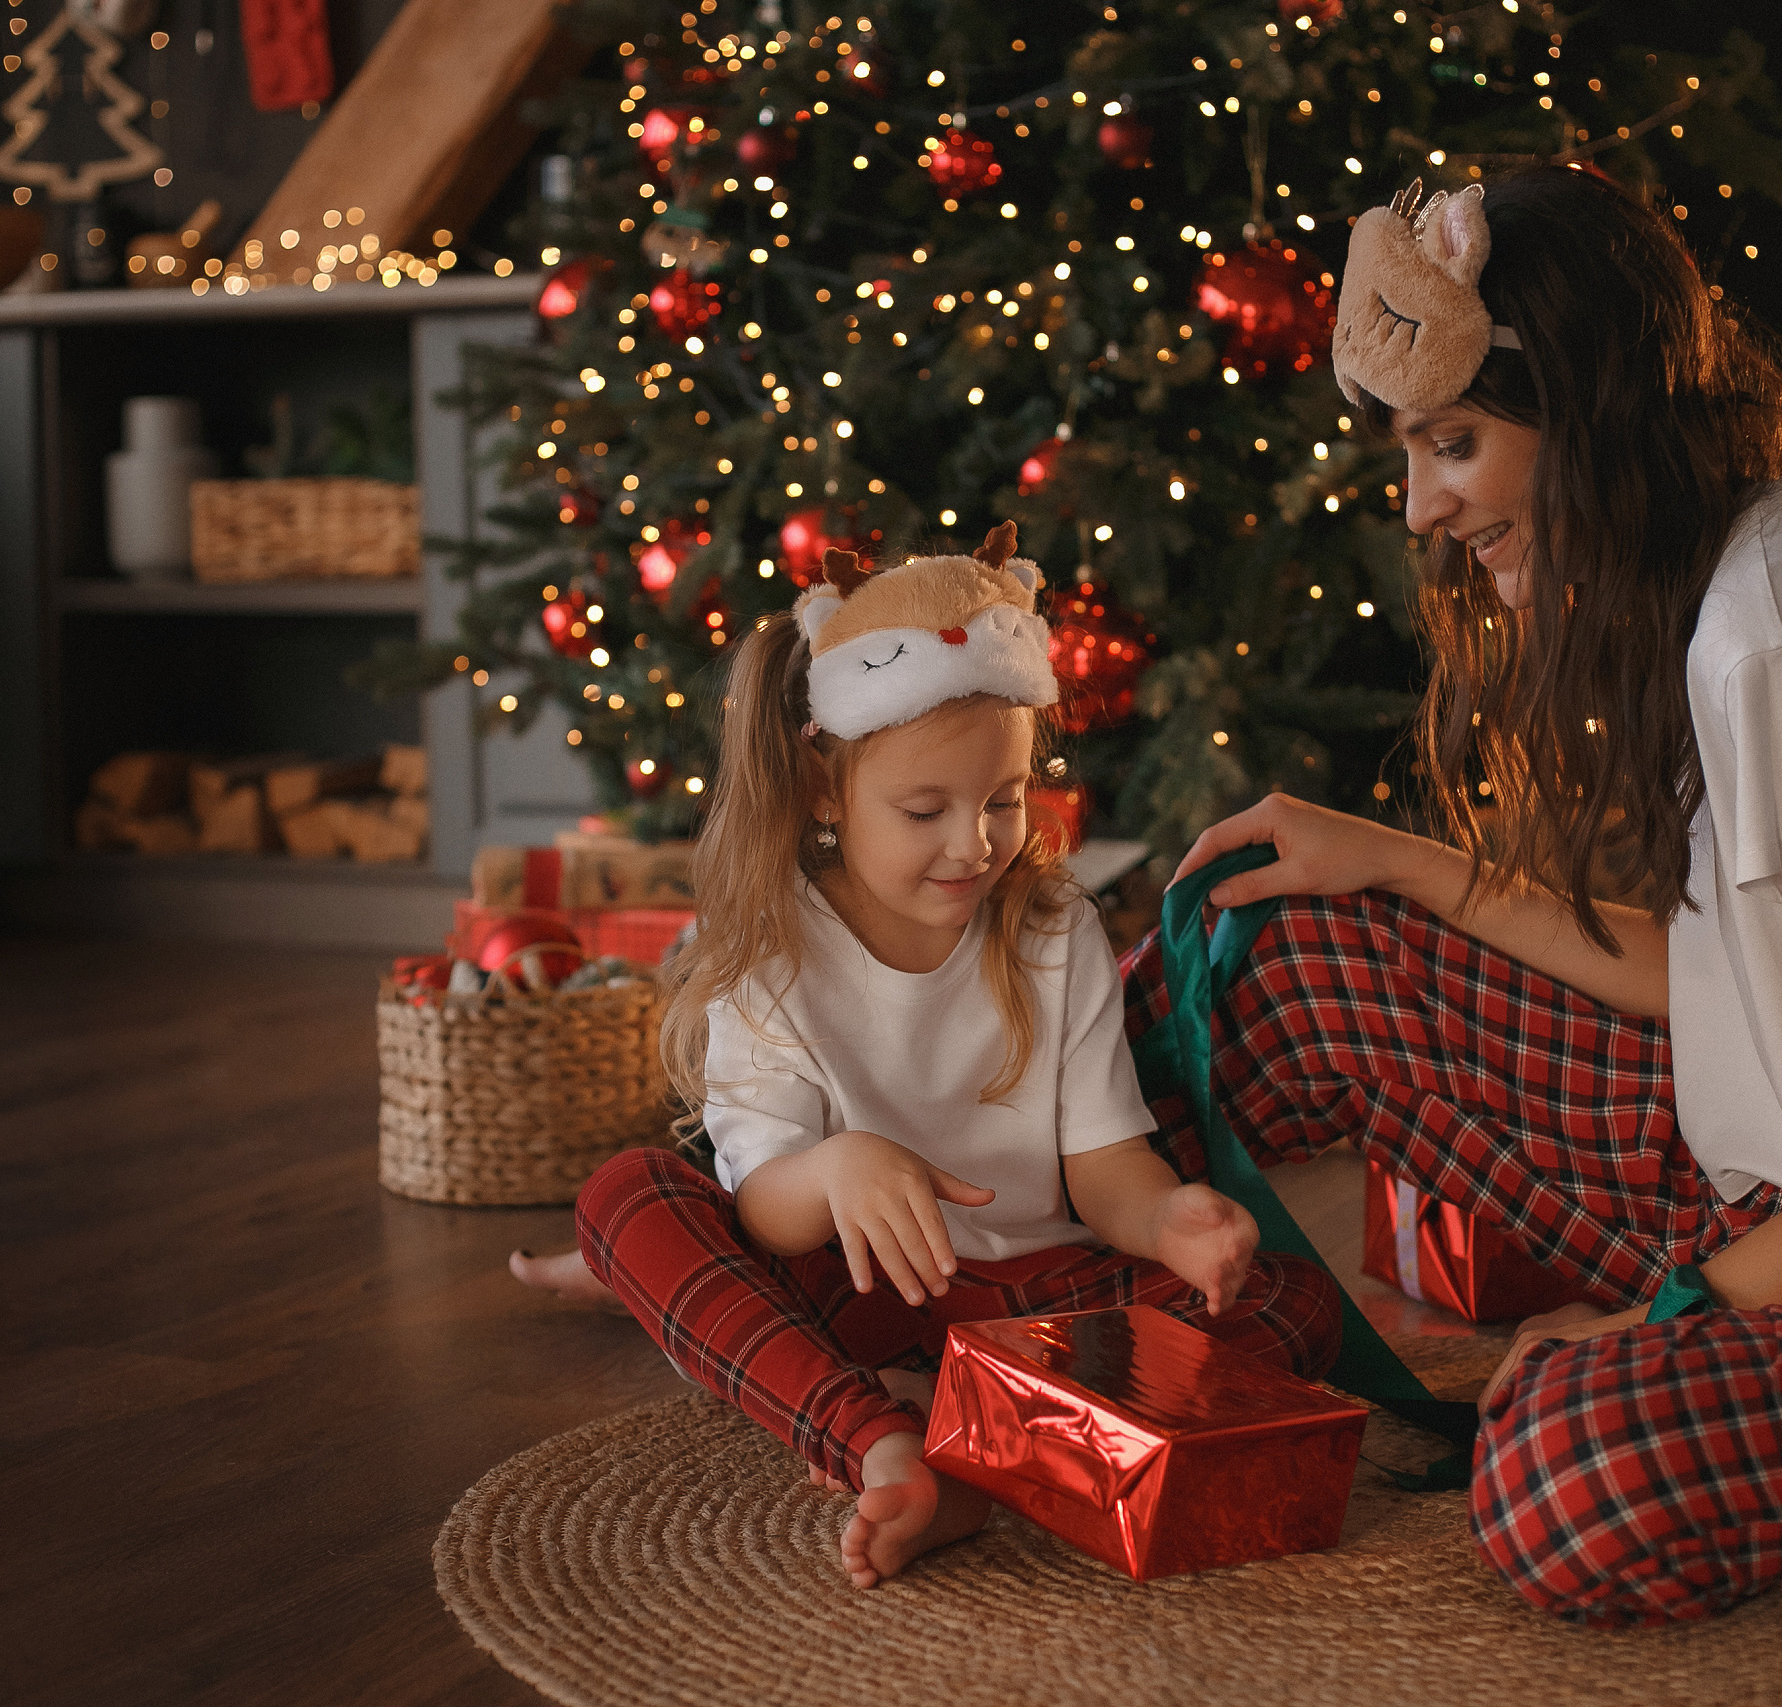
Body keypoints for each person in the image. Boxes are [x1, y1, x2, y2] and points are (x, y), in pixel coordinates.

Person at [1128, 166, 1782, 1624]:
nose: (1425, 506)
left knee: (1571, 1472)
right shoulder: (1754, 567)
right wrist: (1388, 857)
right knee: (1290, 943)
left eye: (1455, 442)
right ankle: (1036, 1287)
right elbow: (1724, 974)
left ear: (1591, 414)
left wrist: (1680, 1314)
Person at [543, 526, 1343, 1589]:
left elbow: (1102, 1170)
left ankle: (975, 1436)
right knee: (625, 1197)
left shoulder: (1053, 931)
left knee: (1296, 1307)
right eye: (925, 810)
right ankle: (881, 1439)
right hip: (854, 1297)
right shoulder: (773, 954)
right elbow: (764, 1209)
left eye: (1004, 801)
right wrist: (839, 1168)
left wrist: (1168, 1221)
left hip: (1035, 1302)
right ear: (825, 792)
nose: (975, 843)